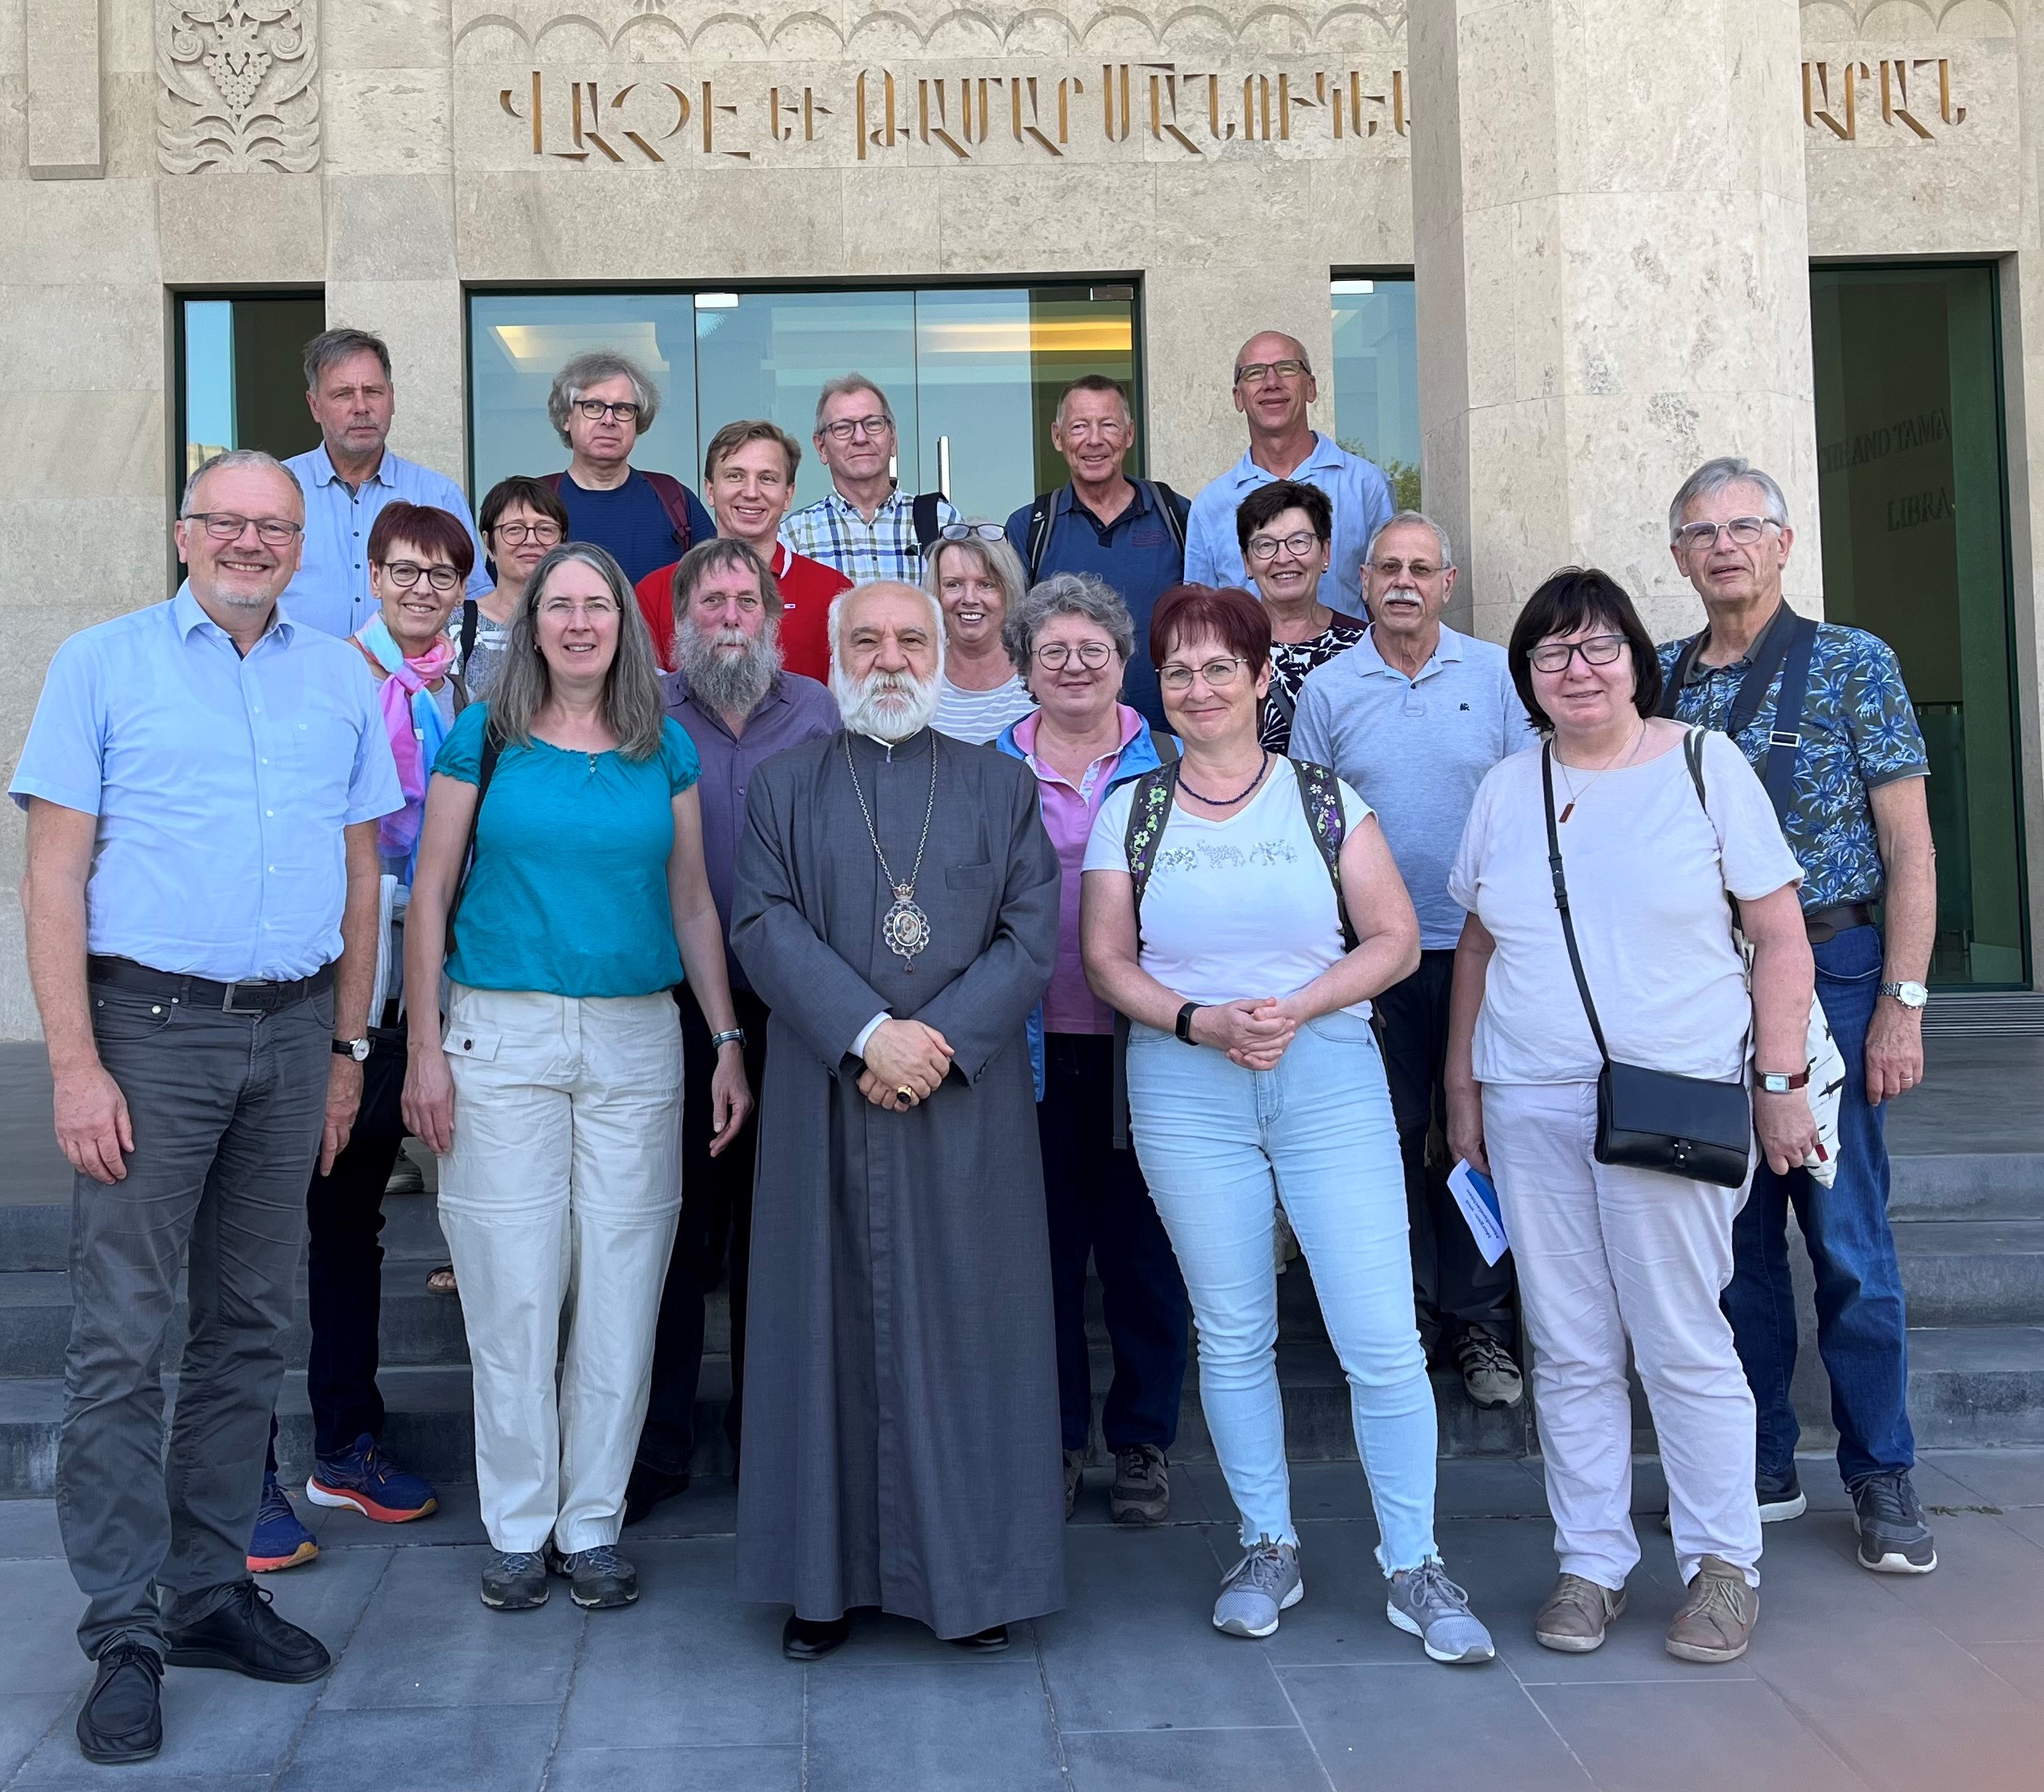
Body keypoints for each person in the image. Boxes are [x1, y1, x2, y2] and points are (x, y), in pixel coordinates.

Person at [11, 450, 399, 1765]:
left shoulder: (340, 675)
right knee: (122, 1343)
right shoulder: (102, 666)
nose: (248, 542)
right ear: (184, 533)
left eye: (272, 526)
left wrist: (349, 1048)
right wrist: (73, 1062)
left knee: (248, 1328)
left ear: (302, 544)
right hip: (150, 1035)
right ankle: (125, 1630)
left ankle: (209, 1586)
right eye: (226, 522)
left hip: (293, 1037)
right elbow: (53, 878)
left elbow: (363, 885)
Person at [1081, 583, 1494, 1666]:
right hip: (1185, 1086)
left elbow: (1394, 938)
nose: (1199, 686)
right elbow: (1105, 961)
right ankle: (1266, 1546)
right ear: (1158, 690)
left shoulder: (1322, 798)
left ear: (1262, 679)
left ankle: (1412, 1563)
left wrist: (1294, 1007)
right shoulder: (1133, 809)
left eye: (1221, 666)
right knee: (1231, 1332)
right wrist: (1198, 1020)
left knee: (1378, 1339)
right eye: (1177, 671)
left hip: (1325, 1076)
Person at [1443, 567, 1818, 1666]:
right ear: (1526, 676)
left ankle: (1718, 1565)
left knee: (1680, 1335)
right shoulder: (1505, 789)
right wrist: (1461, 1087)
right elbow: (1475, 943)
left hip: (1671, 1097)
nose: (1577, 667)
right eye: (1551, 652)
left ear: (1635, 662)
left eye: (1598, 645)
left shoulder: (1705, 766)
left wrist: (1781, 1081)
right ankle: (1589, 1563)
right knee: (1564, 1344)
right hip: (1531, 1097)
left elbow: (1779, 934)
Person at [401, 542, 752, 1615]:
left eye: (597, 604)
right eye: (559, 605)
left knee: (622, 1289)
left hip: (639, 1042)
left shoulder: (665, 749)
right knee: (511, 1294)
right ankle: (517, 1527)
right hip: (498, 1036)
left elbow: (692, 904)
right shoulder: (485, 736)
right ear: (533, 621)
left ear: (625, 623)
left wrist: (727, 1037)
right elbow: (427, 896)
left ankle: (589, 1524)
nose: (579, 623)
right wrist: (421, 1047)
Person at [729, 579, 1062, 1660]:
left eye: (908, 640)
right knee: (816, 1331)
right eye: (864, 639)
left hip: (962, 1103)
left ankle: (971, 1580)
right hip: (827, 1089)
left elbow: (1027, 937)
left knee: (969, 1335)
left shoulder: (998, 786)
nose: (888, 660)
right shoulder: (783, 787)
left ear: (942, 649)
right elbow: (760, 921)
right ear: (828, 654)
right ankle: (817, 1587)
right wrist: (868, 1033)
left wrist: (936, 1042)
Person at [1658, 456, 1940, 1574]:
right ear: (1677, 556)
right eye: (1699, 532)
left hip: (1832, 969)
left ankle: (1880, 1474)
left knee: (1846, 1239)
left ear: (1781, 543)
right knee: (1726, 1242)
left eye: (1742, 526)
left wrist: (1900, 1007)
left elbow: (1908, 850)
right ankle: (1758, 1462)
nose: (1722, 546)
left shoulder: (1851, 665)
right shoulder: (1661, 680)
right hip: (1699, 986)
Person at [247, 502, 470, 1576]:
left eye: (441, 575)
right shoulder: (326, 678)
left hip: (408, 996)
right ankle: (244, 1473)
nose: (422, 588)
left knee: (350, 1230)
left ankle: (346, 1444)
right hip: (316, 990)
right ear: (370, 576)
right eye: (405, 570)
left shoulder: (464, 693)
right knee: (257, 1239)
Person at [1291, 510, 1538, 1412]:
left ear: (1447, 578)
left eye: (1419, 567)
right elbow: (1310, 823)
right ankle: (1401, 1316)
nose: (1402, 581)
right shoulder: (1326, 688)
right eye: (1386, 567)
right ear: (1359, 582)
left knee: (1475, 1137)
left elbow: (1523, 806)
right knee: (1386, 1140)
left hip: (1482, 951)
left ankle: (1478, 1322)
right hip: (1374, 959)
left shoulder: (1492, 676)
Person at [624, 538, 838, 1526]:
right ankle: (656, 1443)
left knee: (777, 1237)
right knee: (667, 1230)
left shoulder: (823, 716)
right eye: (706, 600)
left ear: (772, 615)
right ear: (680, 623)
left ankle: (773, 1443)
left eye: (740, 598)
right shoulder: (640, 717)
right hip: (670, 1010)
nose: (725, 614)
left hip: (795, 1012)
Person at [991, 573, 1190, 1525]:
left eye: (1093, 650)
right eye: (1052, 651)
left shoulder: (1177, 766)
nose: (1072, 666)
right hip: (1025, 1050)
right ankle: (1058, 1438)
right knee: (1043, 1255)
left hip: (1142, 1045)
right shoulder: (986, 769)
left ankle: (1143, 1441)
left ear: (1122, 661)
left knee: (1144, 1253)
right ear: (1024, 668)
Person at [1004, 375, 1190, 731]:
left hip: (1168, 733)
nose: (1094, 440)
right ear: (1058, 437)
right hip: (1068, 734)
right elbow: (1014, 641)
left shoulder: (1178, 517)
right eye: (1079, 427)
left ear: (1130, 435)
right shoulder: (1029, 528)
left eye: (1108, 425)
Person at [282, 327, 488, 639]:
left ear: (391, 398)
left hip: (412, 684)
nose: (361, 406)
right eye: (343, 394)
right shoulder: (277, 491)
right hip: (296, 681)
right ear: (314, 406)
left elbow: (473, 602)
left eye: (373, 391)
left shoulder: (438, 495)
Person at [1182, 331, 1393, 614]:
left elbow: (1387, 597)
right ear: (1238, 397)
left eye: (1287, 368)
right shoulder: (1209, 505)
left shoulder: (1367, 485)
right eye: (1255, 373)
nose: (1272, 383)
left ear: (1311, 388)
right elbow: (1201, 616)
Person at [634, 420, 851, 685]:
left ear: (788, 496)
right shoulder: (654, 593)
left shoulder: (833, 591)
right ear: (710, 490)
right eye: (735, 476)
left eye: (767, 478)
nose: (751, 492)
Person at [538, 350, 716, 592]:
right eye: (593, 406)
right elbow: (502, 600)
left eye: (622, 409)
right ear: (567, 418)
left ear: (637, 422)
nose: (609, 420)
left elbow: (717, 587)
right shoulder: (536, 502)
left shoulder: (674, 499)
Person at [780, 374, 959, 582]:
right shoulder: (795, 536)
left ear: (892, 439)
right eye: (842, 428)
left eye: (873, 424)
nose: (860, 438)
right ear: (821, 448)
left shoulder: (942, 521)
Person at [1234, 481, 1366, 752]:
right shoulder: (1225, 645)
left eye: (1298, 542)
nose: (1283, 558)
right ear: (1247, 561)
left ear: (1325, 553)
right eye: (1265, 545)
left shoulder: (1365, 645)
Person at [926, 522, 1038, 742]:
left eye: (986, 585)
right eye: (953, 584)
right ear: (936, 592)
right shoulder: (918, 678)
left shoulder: (1041, 677)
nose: (969, 599)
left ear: (1009, 591)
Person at [462, 476, 569, 700]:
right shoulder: (456, 623)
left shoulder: (580, 623)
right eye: (514, 529)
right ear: (489, 544)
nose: (531, 540)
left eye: (545, 529)